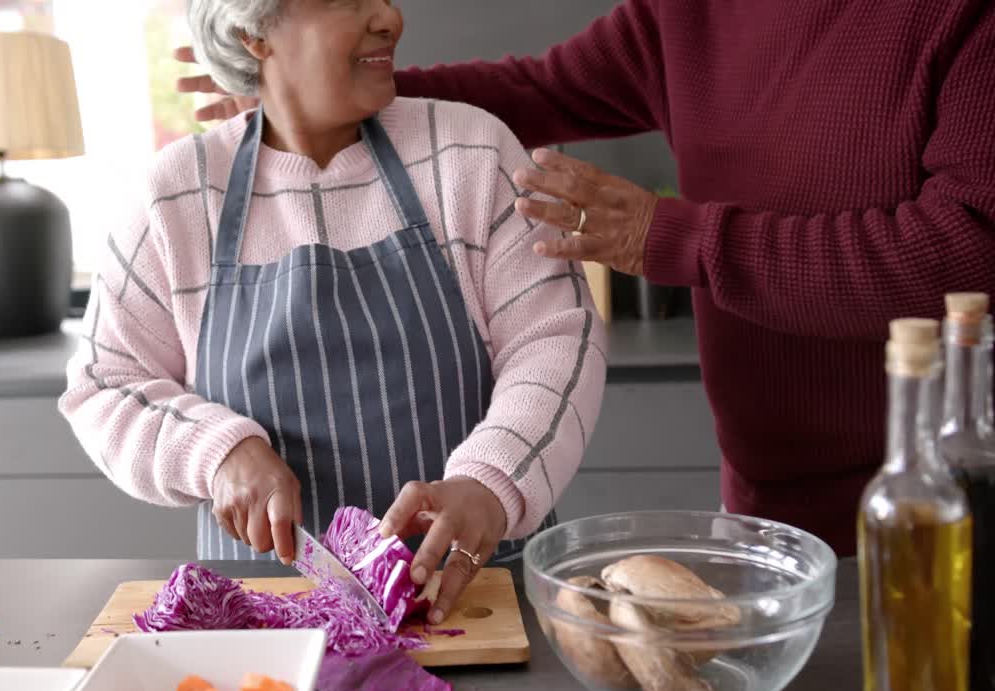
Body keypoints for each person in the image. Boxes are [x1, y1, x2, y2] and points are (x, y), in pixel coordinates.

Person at [176, 0, 995, 556]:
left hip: (962, 489)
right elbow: (542, 90)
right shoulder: (690, 12)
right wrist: (327, 92)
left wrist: (673, 239)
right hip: (769, 492)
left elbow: (967, 250)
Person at [59, 0, 606, 623]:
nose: (391, 18)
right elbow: (105, 385)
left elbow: (556, 338)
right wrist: (215, 451)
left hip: (479, 598)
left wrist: (490, 484)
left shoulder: (472, 151)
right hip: (267, 620)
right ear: (253, 33)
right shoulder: (176, 194)